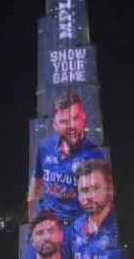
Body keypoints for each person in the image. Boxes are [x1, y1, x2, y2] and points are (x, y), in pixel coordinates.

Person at [28, 92, 105, 224]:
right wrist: (29, 212)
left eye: (75, 118)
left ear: (84, 118)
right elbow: (37, 179)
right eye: (64, 121)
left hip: (77, 226)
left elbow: (101, 198)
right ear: (55, 125)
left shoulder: (94, 154)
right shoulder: (45, 147)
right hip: (49, 224)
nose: (71, 126)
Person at [71, 159, 123, 259]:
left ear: (110, 189)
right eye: (84, 190)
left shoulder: (121, 225)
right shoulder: (75, 227)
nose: (90, 196)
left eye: (96, 188)